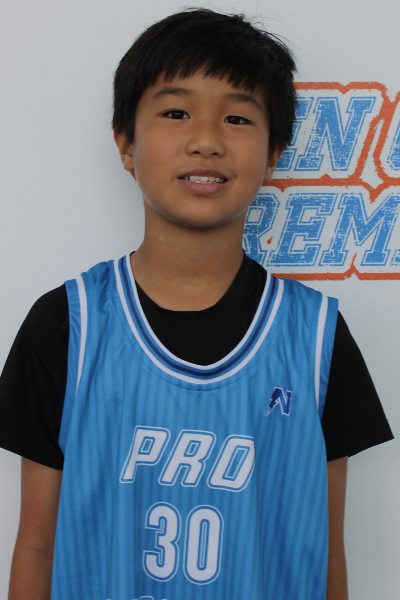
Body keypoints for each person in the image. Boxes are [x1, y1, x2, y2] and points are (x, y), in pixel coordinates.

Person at [0, 8, 393, 600]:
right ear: (126, 144)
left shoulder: (315, 337)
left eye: (237, 117)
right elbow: (37, 544)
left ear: (274, 152)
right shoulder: (67, 326)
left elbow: (326, 549)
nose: (206, 140)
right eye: (176, 112)